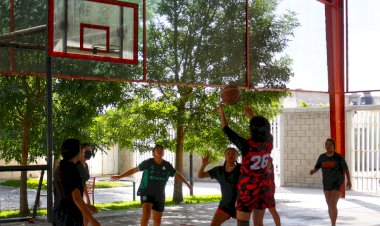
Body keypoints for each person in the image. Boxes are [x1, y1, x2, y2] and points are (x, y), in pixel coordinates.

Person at [218, 103, 275, 226]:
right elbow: (262, 130)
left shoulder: (246, 145)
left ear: (252, 129)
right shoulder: (269, 142)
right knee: (259, 223)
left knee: (242, 224)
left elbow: (226, 129)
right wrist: (252, 116)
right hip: (263, 188)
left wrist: (222, 112)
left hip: (248, 189)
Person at [111, 144, 192, 226]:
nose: (160, 151)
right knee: (146, 214)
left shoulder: (167, 165)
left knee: (157, 221)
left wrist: (187, 184)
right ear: (153, 153)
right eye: (157, 149)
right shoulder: (147, 163)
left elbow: (177, 175)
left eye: (161, 149)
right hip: (146, 192)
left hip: (159, 195)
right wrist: (120, 176)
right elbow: (134, 170)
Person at [53, 138, 101, 226]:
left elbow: (68, 197)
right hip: (70, 218)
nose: (83, 152)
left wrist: (86, 205)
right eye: (80, 149)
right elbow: (76, 198)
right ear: (76, 152)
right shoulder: (72, 171)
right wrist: (93, 220)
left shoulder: (60, 169)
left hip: (59, 216)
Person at [310, 138, 352, 226]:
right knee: (329, 205)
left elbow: (346, 169)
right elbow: (317, 166)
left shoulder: (339, 157)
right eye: (326, 144)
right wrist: (313, 171)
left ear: (334, 146)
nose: (328, 146)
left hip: (337, 183)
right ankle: (332, 223)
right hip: (326, 183)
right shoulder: (322, 157)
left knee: (332, 204)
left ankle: (333, 224)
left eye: (330, 144)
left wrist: (349, 180)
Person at [198, 148, 241, 226]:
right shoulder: (218, 170)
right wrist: (203, 164)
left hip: (240, 205)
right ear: (225, 156)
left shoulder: (242, 168)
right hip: (225, 205)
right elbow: (200, 175)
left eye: (233, 153)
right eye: (228, 153)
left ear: (237, 157)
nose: (231, 155)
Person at [76, 143, 97, 226]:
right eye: (87, 150)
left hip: (80, 194)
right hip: (74, 195)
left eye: (90, 150)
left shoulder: (86, 166)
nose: (89, 152)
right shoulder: (76, 165)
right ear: (81, 152)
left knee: (86, 215)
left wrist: (87, 198)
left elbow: (83, 182)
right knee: (85, 214)